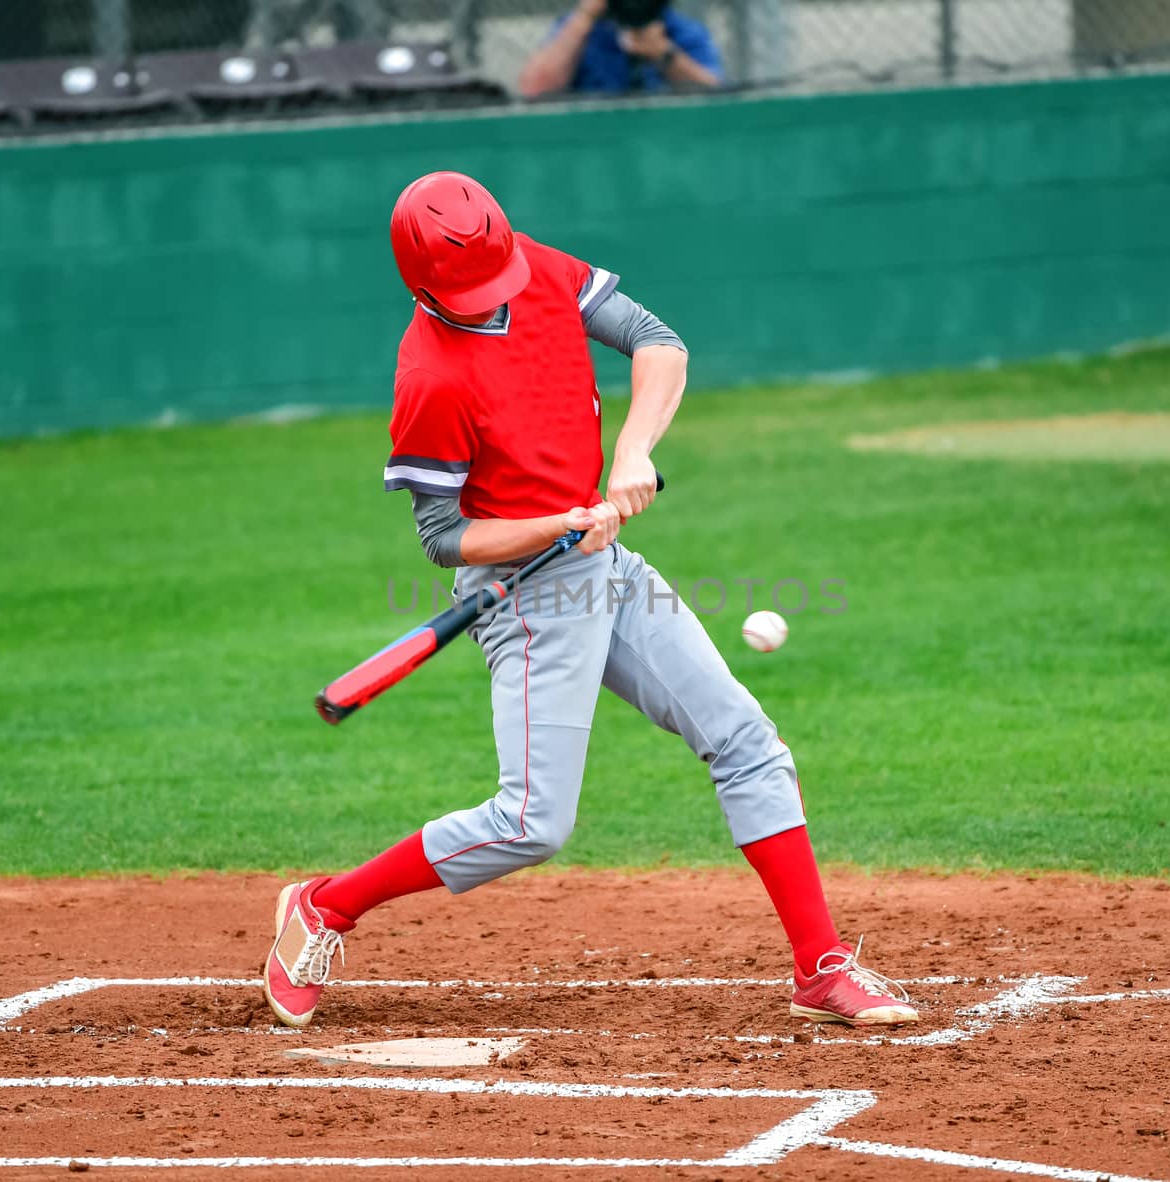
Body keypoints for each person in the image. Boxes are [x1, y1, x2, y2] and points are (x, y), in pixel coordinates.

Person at [260, 170, 918, 1032]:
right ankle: (325, 906)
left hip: (606, 567)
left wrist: (633, 453)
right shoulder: (429, 378)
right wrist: (554, 523)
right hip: (526, 594)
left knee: (747, 742)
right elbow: (443, 536)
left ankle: (822, 967)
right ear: (421, 286)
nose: (497, 297)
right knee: (531, 822)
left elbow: (657, 341)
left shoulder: (530, 266)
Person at [517, 0, 723, 97]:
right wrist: (585, 16)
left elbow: (717, 97)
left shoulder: (681, 31)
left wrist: (665, 54)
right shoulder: (581, 29)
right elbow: (534, 88)